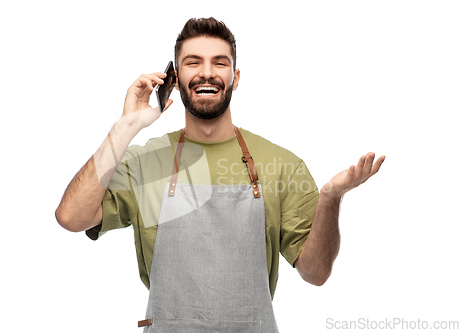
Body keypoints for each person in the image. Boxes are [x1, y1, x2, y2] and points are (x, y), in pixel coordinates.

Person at [55, 17, 385, 332]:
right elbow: (71, 217)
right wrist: (123, 128)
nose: (207, 73)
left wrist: (330, 198)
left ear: (235, 77)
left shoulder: (281, 164)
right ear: (174, 79)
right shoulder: (145, 163)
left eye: (220, 62)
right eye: (192, 62)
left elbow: (316, 272)